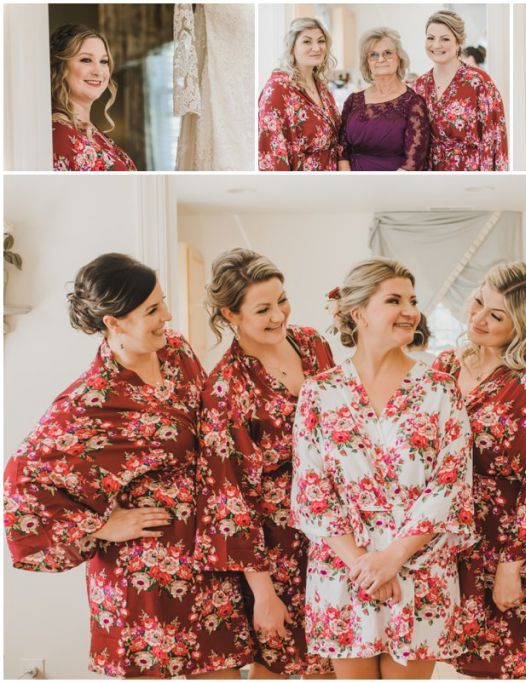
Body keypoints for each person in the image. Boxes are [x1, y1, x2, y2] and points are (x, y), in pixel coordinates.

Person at [3, 254, 250, 678]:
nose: (167, 316)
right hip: (143, 572)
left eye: (163, 302)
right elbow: (22, 481)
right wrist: (100, 526)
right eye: (152, 309)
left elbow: (213, 433)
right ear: (114, 322)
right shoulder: (91, 400)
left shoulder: (176, 352)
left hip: (206, 556)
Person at [291, 258, 476, 679]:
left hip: (417, 567)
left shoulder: (439, 389)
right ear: (358, 313)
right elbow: (311, 490)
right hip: (343, 570)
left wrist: (393, 557)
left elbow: (451, 483)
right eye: (394, 300)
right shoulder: (320, 392)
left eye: (412, 300)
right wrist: (364, 565)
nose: (410, 310)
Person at [195, 249, 335, 679]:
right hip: (275, 546)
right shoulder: (227, 387)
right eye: (263, 309)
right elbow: (229, 495)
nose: (279, 315)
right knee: (277, 661)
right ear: (230, 314)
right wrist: (263, 592)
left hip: (333, 529)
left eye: (282, 300)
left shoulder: (312, 344)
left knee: (333, 661)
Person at [432, 263, 526, 678]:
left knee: (511, 664)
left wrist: (512, 566)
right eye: (477, 303)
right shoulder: (444, 366)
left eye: (497, 315)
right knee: (454, 664)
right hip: (446, 538)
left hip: (507, 542)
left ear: (523, 326)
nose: (478, 318)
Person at [412, 10, 508, 171]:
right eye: (430, 38)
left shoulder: (479, 82)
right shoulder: (419, 85)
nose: (436, 45)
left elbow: (495, 139)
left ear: (458, 42)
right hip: (428, 178)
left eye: (445, 39)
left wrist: (491, 186)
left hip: (469, 178)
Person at [339, 29, 429, 171]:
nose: (381, 59)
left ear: (399, 58)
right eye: (373, 55)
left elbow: (414, 160)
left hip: (394, 184)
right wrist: (349, 180)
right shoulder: (353, 100)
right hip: (353, 183)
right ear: (367, 62)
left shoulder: (414, 102)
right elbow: (342, 147)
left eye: (387, 53)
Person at [50, 24, 136, 171]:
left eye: (104, 61)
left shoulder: (93, 132)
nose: (98, 71)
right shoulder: (58, 134)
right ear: (61, 66)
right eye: (86, 60)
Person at [258, 18, 341, 171]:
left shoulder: (321, 86)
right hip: (302, 185)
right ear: (292, 47)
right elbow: (271, 150)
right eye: (307, 42)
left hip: (333, 180)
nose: (316, 48)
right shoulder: (278, 88)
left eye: (321, 41)